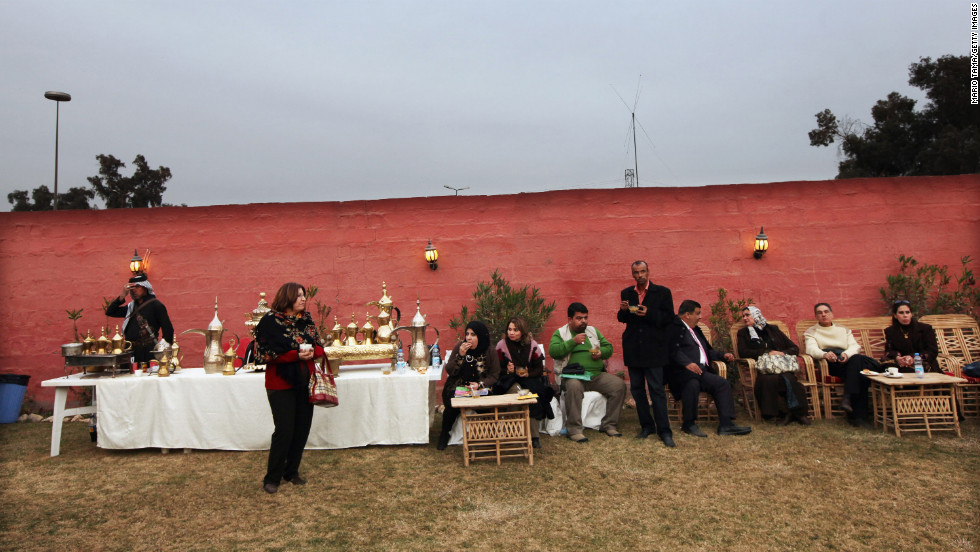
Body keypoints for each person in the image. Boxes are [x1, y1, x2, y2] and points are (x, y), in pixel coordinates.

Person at [254, 282, 326, 494]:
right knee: (284, 430)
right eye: (299, 296)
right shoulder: (270, 322)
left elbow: (320, 346)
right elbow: (264, 355)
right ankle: (272, 477)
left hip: (305, 382)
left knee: (302, 428)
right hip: (281, 384)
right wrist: (295, 355)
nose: (303, 299)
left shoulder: (307, 320)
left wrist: (313, 352)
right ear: (287, 299)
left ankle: (291, 471)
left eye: (304, 295)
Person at [666, 300, 751, 437]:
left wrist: (723, 355)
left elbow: (707, 351)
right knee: (691, 384)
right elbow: (670, 349)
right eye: (697, 313)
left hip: (701, 371)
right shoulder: (673, 327)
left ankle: (726, 425)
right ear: (687, 314)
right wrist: (687, 363)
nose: (700, 317)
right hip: (681, 372)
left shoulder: (695, 330)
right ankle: (689, 424)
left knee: (722, 384)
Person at [617, 260, 676, 446]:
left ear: (648, 272)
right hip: (633, 347)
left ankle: (664, 431)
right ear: (632, 274)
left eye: (642, 271)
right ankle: (646, 426)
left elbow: (669, 318)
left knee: (657, 390)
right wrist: (624, 310)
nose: (639, 275)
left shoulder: (663, 292)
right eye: (636, 272)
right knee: (637, 390)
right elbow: (622, 319)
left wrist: (649, 313)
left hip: (654, 348)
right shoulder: (627, 293)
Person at [550, 302, 626, 443]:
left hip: (596, 375)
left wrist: (600, 353)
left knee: (618, 385)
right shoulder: (561, 333)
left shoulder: (592, 331)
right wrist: (573, 342)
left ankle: (609, 425)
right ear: (570, 319)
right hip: (574, 376)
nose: (583, 321)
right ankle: (574, 430)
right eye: (579, 318)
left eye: (585, 317)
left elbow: (608, 347)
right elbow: (553, 351)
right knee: (573, 387)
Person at [803, 302, 878, 428]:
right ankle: (859, 416)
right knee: (860, 367)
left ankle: (851, 406)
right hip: (831, 364)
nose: (823, 315)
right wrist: (824, 355)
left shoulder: (843, 330)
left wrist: (847, 355)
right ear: (816, 316)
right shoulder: (811, 332)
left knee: (858, 367)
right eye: (820, 313)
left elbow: (854, 346)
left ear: (832, 314)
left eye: (826, 312)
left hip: (847, 360)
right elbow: (811, 349)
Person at [737, 306, 812, 425]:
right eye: (743, 316)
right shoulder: (743, 334)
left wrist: (783, 353)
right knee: (773, 380)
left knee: (789, 379)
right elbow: (743, 352)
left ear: (757, 315)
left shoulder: (773, 329)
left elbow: (794, 348)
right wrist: (767, 353)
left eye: (747, 315)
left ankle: (789, 414)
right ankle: (795, 413)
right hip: (764, 368)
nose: (745, 318)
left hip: (782, 366)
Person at [437, 321, 501, 450]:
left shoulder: (489, 351)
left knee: (486, 407)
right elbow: (449, 370)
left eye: (473, 334)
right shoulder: (460, 347)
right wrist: (460, 355)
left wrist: (480, 385)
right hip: (460, 386)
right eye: (467, 334)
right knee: (452, 405)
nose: (469, 337)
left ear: (480, 336)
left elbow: (494, 375)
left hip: (480, 387)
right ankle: (444, 434)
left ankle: (493, 435)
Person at [494, 317, 555, 449]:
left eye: (515, 330)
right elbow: (496, 369)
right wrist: (508, 370)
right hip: (509, 380)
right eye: (509, 329)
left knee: (531, 396)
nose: (512, 332)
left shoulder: (532, 345)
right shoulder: (501, 345)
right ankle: (512, 434)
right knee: (518, 394)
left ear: (522, 331)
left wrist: (529, 373)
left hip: (529, 379)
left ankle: (534, 437)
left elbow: (539, 369)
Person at [105, 273, 175, 366]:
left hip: (148, 352)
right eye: (132, 288)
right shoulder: (131, 307)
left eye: (137, 287)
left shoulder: (156, 305)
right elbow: (110, 312)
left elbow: (168, 330)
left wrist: (160, 350)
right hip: (130, 351)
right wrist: (122, 295)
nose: (134, 290)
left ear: (145, 288)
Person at [883, 299, 940, 373]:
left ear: (911, 314)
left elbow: (932, 351)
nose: (905, 315)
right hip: (901, 366)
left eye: (907, 312)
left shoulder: (925, 329)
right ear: (895, 315)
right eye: (901, 313)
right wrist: (897, 357)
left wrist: (913, 357)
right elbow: (889, 351)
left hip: (924, 365)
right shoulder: (890, 331)